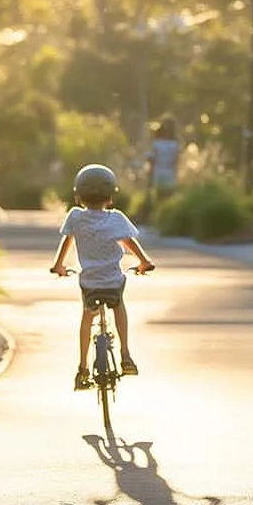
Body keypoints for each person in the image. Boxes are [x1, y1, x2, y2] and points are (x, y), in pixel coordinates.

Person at [50, 164, 156, 391]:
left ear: (78, 196)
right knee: (118, 306)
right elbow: (128, 241)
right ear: (110, 197)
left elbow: (67, 241)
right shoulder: (116, 218)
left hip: (89, 282)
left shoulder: (75, 217)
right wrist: (144, 262)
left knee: (87, 317)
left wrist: (59, 265)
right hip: (113, 281)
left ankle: (82, 368)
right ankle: (125, 355)